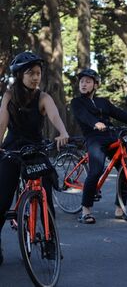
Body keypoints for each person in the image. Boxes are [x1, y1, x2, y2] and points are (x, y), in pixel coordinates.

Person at [0, 51, 69, 266]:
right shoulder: (9, 95)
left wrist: (63, 132)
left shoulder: (43, 97)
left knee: (45, 192)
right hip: (12, 148)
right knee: (3, 196)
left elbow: (55, 115)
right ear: (20, 75)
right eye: (30, 73)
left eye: (38, 73)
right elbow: (2, 121)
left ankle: (50, 241)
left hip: (36, 148)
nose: (35, 77)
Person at [71, 68, 127, 224]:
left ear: (95, 85)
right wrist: (95, 123)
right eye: (82, 81)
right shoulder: (77, 102)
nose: (84, 84)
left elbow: (118, 113)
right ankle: (86, 210)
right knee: (96, 171)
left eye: (88, 81)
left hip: (111, 136)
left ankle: (120, 208)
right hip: (94, 138)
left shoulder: (102, 102)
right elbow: (83, 116)